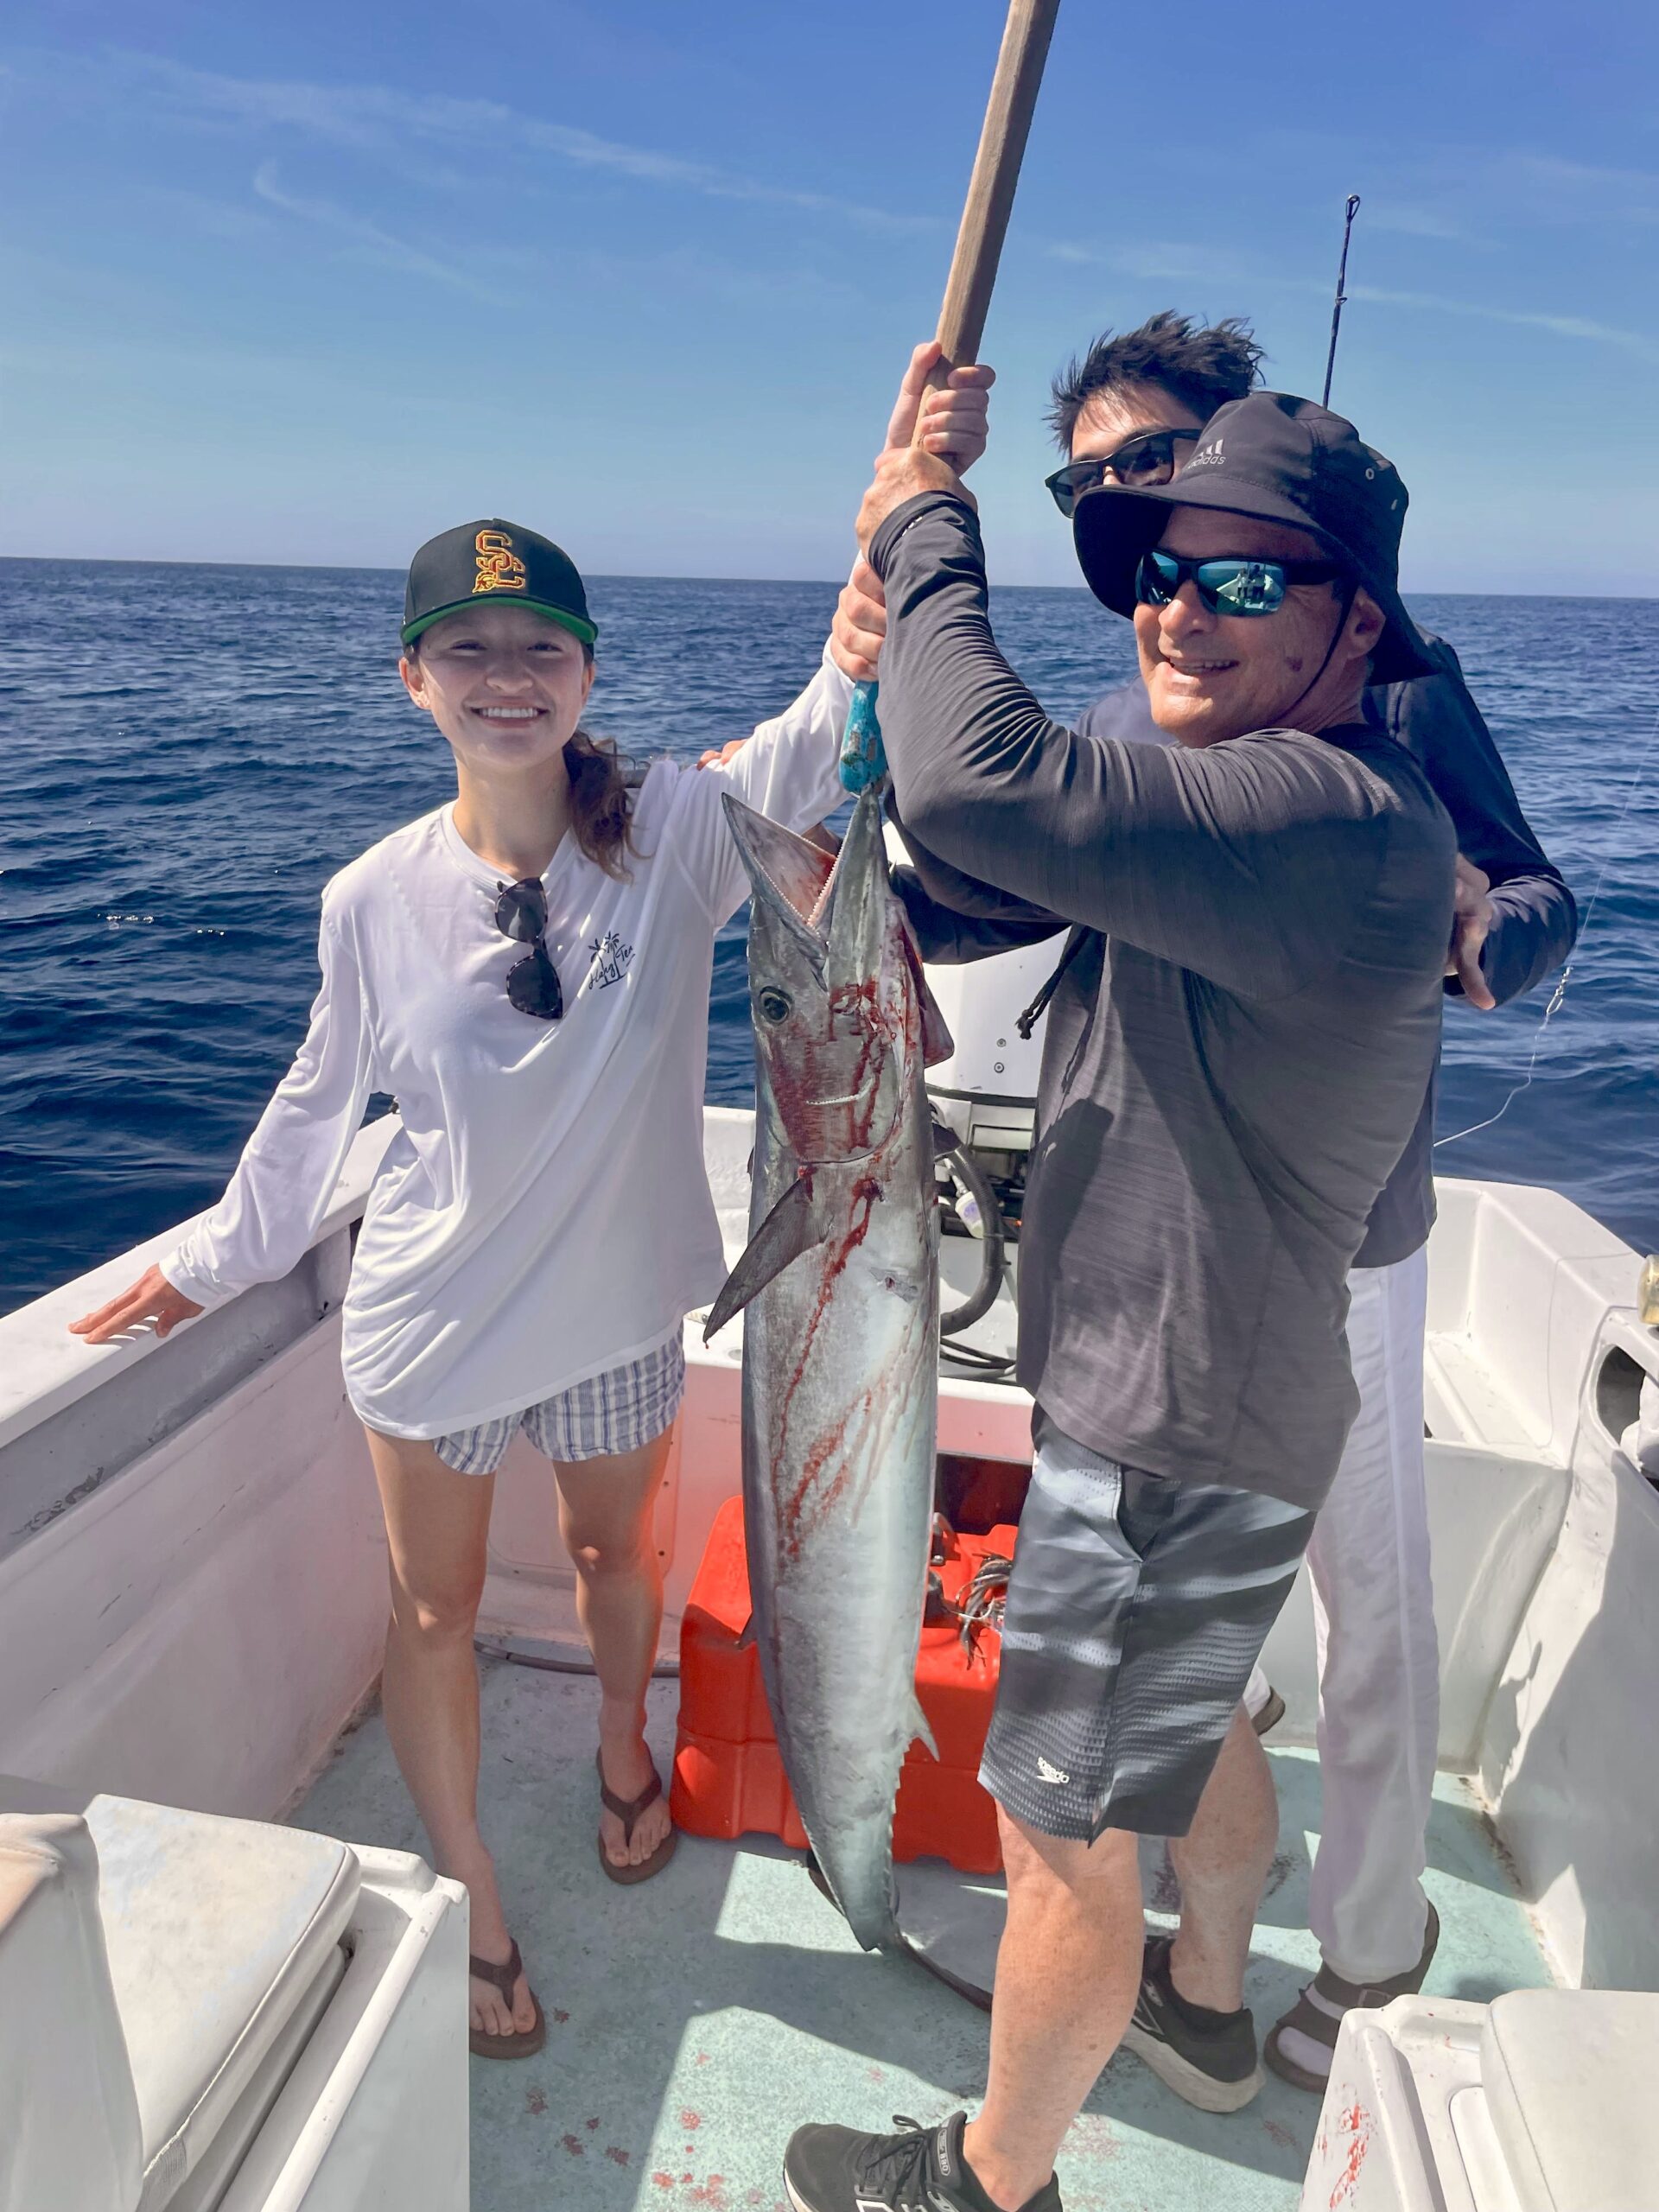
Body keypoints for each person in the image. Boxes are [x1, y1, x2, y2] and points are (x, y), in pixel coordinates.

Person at [65, 346, 993, 2064]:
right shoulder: (369, 895)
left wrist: (902, 503)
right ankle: (477, 1888)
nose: (509, 676)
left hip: (618, 1304)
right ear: (414, 674)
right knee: (429, 1613)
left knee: (605, 1556)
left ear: (585, 670)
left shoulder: (682, 831)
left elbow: (830, 713)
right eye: (471, 650)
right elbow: (313, 1101)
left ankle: (626, 1750)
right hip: (426, 1324)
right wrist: (209, 1262)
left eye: (541, 647)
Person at [782, 389, 1457, 2212]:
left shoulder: (1310, 811)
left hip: (1171, 1422)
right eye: (1159, 571)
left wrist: (927, 516)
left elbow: (981, 779)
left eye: (1246, 575)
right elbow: (977, 846)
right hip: (1210, 1396)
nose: (1180, 605)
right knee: (1191, 1737)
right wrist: (883, 668)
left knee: (1061, 1831)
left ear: (1357, 629)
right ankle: (1212, 2002)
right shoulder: (1280, 804)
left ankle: (987, 2184)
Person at [1046, 313, 1576, 2088]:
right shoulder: (1138, 692)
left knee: (1368, 1599)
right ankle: (1166, 1945)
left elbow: (1542, 886)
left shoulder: (1398, 690)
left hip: (1346, 1239)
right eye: (1095, 479)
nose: (1127, 502)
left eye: (1154, 458)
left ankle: (1372, 1944)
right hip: (1168, 1247)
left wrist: (1487, 936)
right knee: (1178, 1621)